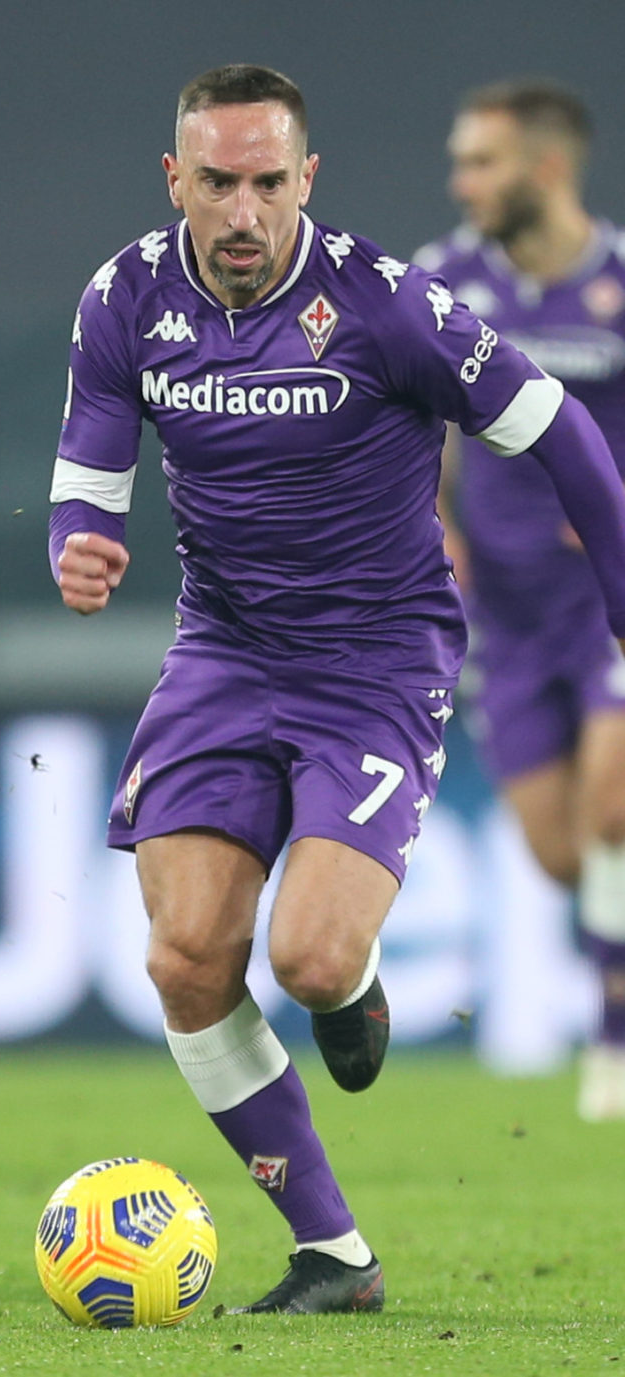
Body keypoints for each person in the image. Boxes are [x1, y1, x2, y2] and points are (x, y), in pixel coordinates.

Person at [50, 65, 625, 1313]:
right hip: (219, 653)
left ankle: (354, 985)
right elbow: (90, 464)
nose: (243, 210)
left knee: (307, 959)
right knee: (187, 958)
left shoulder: (387, 305)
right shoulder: (126, 294)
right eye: (217, 182)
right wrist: (74, 545)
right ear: (175, 180)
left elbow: (563, 430)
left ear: (306, 179)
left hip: (371, 659)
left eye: (268, 182)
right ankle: (333, 1255)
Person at [416, 81, 625, 1122]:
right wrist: (432, 530)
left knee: (616, 809)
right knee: (560, 852)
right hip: (503, 613)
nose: (464, 184)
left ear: (546, 168)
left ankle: (616, 1036)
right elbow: (407, 434)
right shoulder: (439, 285)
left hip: (609, 599)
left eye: (482, 161)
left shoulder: (619, 286)